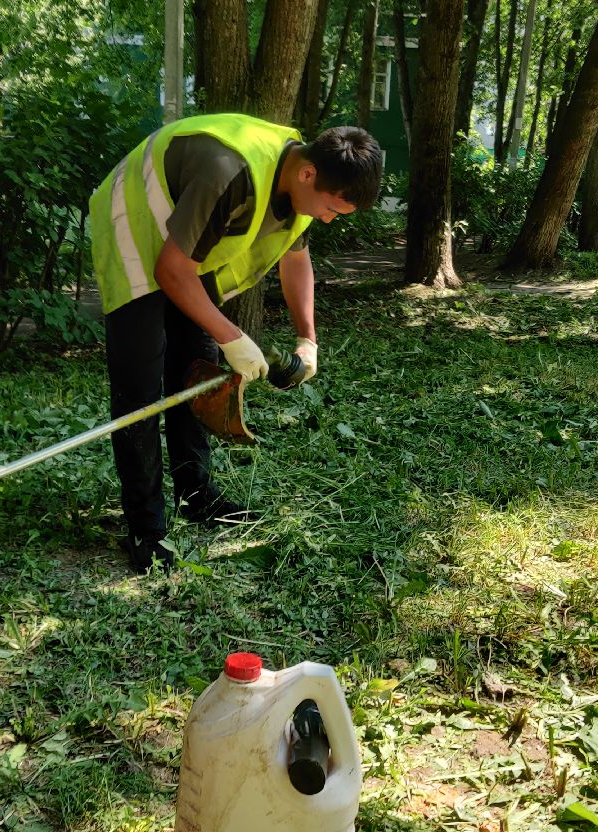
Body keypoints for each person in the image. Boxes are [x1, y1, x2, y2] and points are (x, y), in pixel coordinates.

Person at [89, 114, 383, 573]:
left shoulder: (299, 180)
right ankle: (146, 528)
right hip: (134, 222)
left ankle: (196, 494)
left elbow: (296, 260)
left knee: (197, 369)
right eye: (331, 209)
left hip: (184, 241)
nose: (327, 218)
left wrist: (308, 338)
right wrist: (233, 337)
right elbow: (170, 270)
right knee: (141, 388)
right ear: (309, 174)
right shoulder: (229, 171)